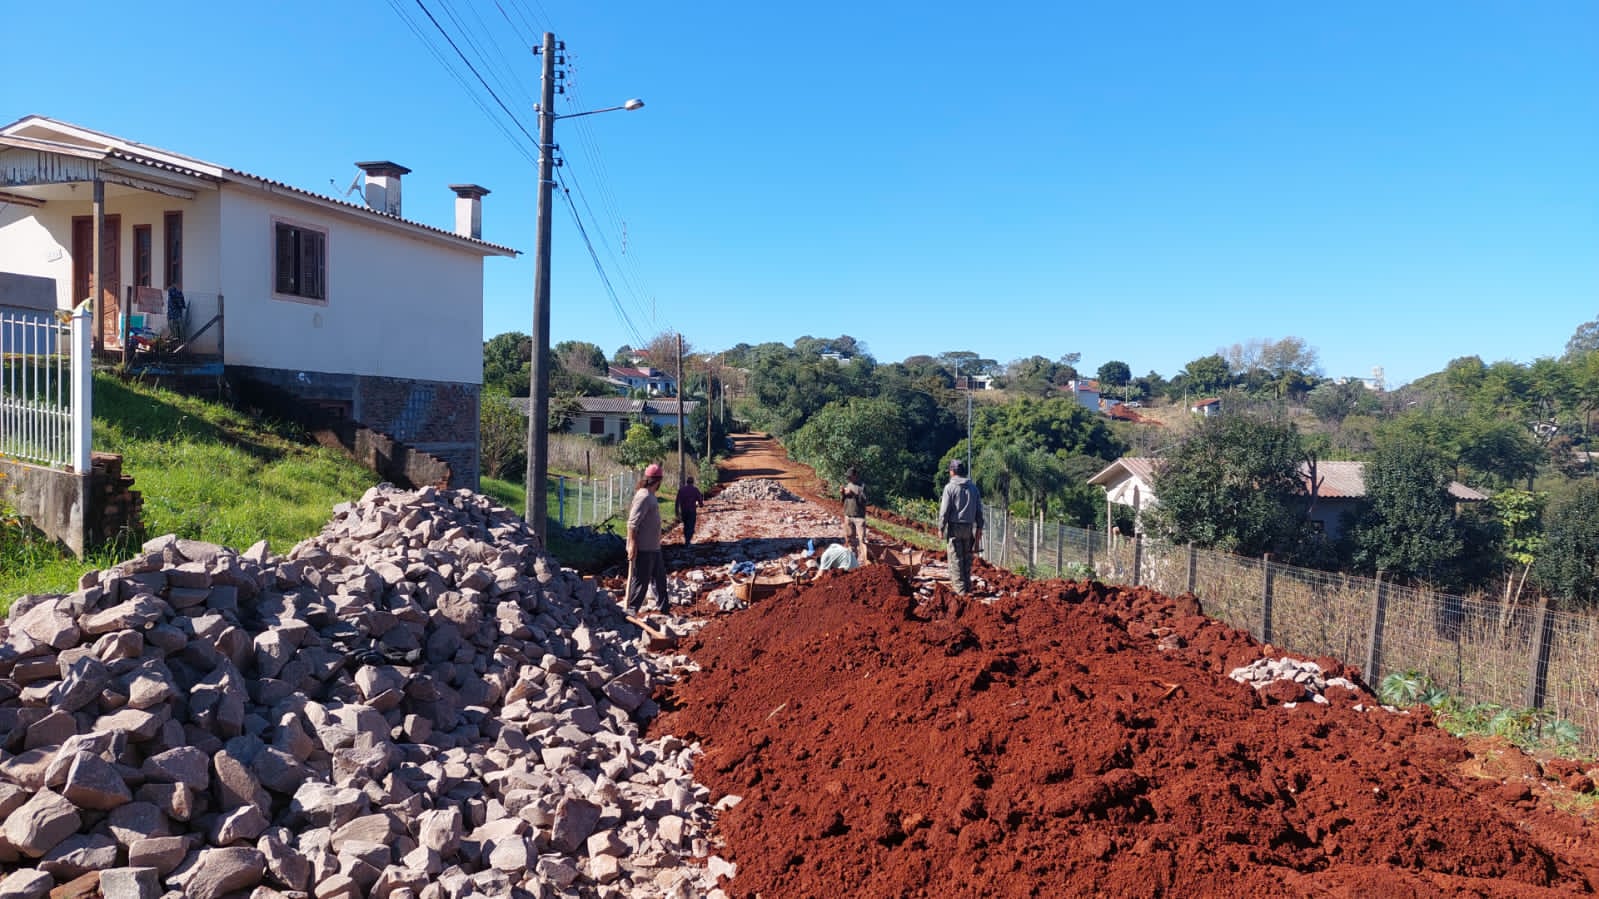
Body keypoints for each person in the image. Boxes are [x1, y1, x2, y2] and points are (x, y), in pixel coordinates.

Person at [626, 463, 670, 615]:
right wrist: (632, 544)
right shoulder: (643, 496)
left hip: (654, 547)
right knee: (641, 582)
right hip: (644, 548)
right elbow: (632, 523)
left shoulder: (649, 495)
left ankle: (664, 610)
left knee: (660, 580)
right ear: (658, 481)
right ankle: (631, 611)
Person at [938, 458, 985, 594]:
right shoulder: (973, 488)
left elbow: (944, 511)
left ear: (952, 471)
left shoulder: (950, 488)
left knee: (955, 560)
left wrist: (941, 528)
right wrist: (979, 527)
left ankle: (960, 593)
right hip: (969, 528)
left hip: (954, 528)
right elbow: (979, 511)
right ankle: (967, 588)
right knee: (966, 559)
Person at [841, 467, 868, 558]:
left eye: (850, 476)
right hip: (848, 515)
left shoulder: (862, 486)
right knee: (850, 540)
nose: (848, 478)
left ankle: (865, 560)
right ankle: (853, 560)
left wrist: (854, 494)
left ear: (855, 476)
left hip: (859, 517)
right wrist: (842, 494)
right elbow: (843, 501)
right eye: (847, 477)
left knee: (862, 540)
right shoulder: (848, 485)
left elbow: (864, 501)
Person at [675, 475, 705, 544]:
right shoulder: (695, 490)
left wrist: (677, 511)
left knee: (686, 525)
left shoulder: (681, 490)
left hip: (684, 511)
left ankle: (687, 540)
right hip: (692, 511)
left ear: (687, 482)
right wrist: (701, 505)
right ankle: (688, 541)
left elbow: (677, 501)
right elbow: (700, 500)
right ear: (693, 482)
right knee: (691, 526)